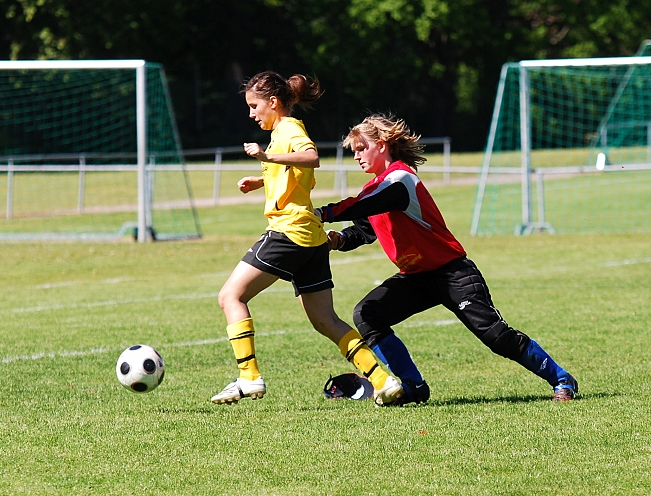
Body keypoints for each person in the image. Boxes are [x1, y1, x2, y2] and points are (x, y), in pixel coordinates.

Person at [315, 114, 579, 405]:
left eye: (361, 148)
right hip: (416, 278)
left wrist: (323, 213)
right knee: (368, 314)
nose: (356, 156)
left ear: (381, 145)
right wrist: (339, 240)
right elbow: (364, 229)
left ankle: (562, 379)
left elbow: (368, 204)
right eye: (353, 151)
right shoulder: (375, 189)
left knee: (496, 337)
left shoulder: (400, 179)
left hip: (452, 272)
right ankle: (413, 387)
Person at [212, 72, 403, 406]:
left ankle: (249, 378)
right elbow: (295, 174)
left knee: (231, 296)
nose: (251, 113)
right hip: (311, 238)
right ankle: (383, 380)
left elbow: (311, 157)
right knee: (325, 321)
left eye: (255, 106)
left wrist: (266, 157)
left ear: (273, 102)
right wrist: (261, 180)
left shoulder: (289, 128)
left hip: (289, 232)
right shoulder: (280, 133)